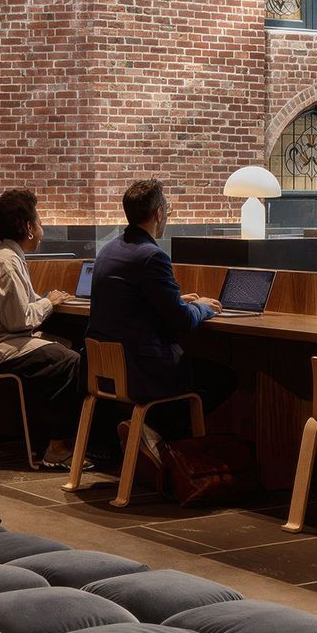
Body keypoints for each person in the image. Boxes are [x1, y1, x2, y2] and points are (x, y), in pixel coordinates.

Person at [87, 179, 235, 447]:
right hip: (142, 371)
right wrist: (203, 307)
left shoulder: (108, 251)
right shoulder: (152, 256)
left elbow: (133, 303)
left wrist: (176, 300)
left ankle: (151, 435)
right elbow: (183, 321)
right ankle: (158, 437)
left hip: (106, 368)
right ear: (158, 213)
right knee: (224, 378)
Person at [0, 189, 84, 470]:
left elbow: (20, 305)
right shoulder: (7, 262)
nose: (42, 229)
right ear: (28, 227)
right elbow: (18, 320)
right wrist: (49, 303)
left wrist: (46, 299)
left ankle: (43, 442)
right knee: (70, 361)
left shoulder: (9, 257)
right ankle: (57, 447)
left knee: (64, 347)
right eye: (39, 222)